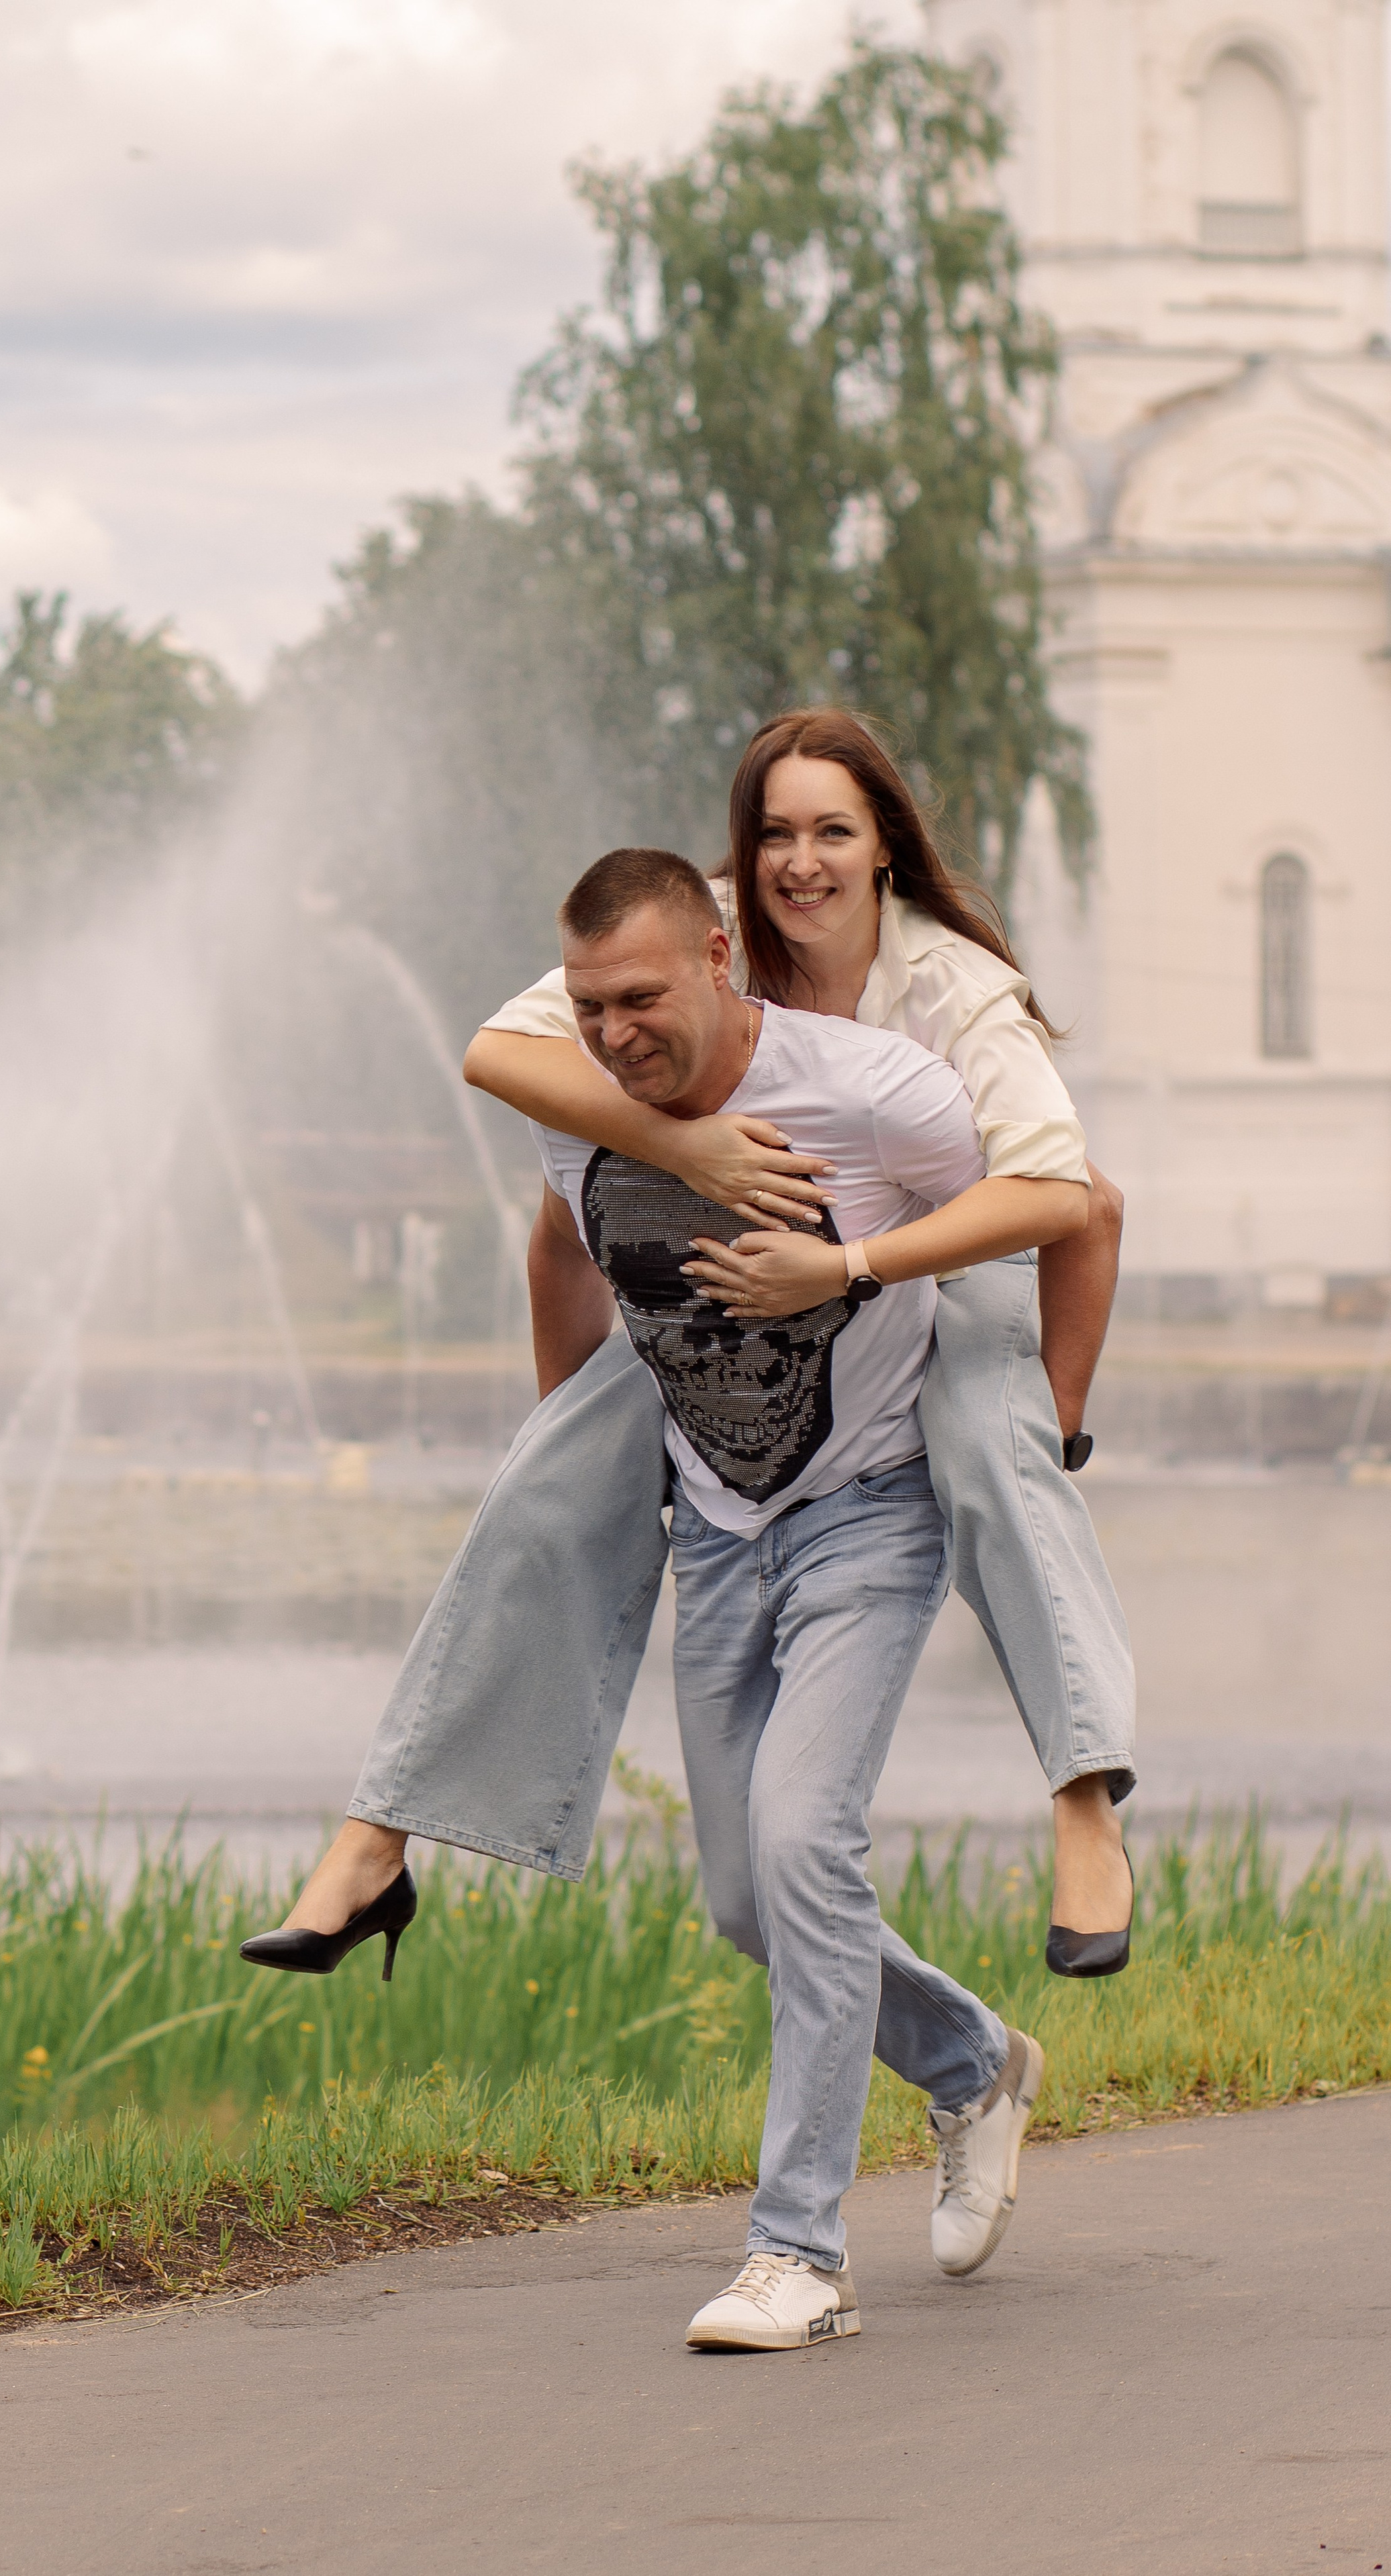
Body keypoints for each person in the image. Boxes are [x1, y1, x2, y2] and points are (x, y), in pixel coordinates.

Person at [248, 845, 1086, 2345]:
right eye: (587, 1003)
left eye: (639, 994)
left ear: (716, 956)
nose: (614, 1026)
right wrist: (573, 1437)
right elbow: (560, 1240)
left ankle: (795, 2253)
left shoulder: (875, 1086)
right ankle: (970, 2060)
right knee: (744, 1900)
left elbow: (1049, 1210)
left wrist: (988, 1378)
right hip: (715, 1533)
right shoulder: (576, 1098)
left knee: (802, 1849)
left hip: (865, 1519)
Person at [273, 710, 1134, 1975]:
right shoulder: (701, 934)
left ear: (884, 844)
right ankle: (377, 1837)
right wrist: (683, 1154)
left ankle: (1084, 1805)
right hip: (746, 1293)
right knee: (549, 1467)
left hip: (949, 1261)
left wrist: (1043, 1414)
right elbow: (498, 1051)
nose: (801, 861)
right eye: (774, 830)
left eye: (833, 830)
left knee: (979, 1423)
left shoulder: (951, 984)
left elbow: (1080, 1201)